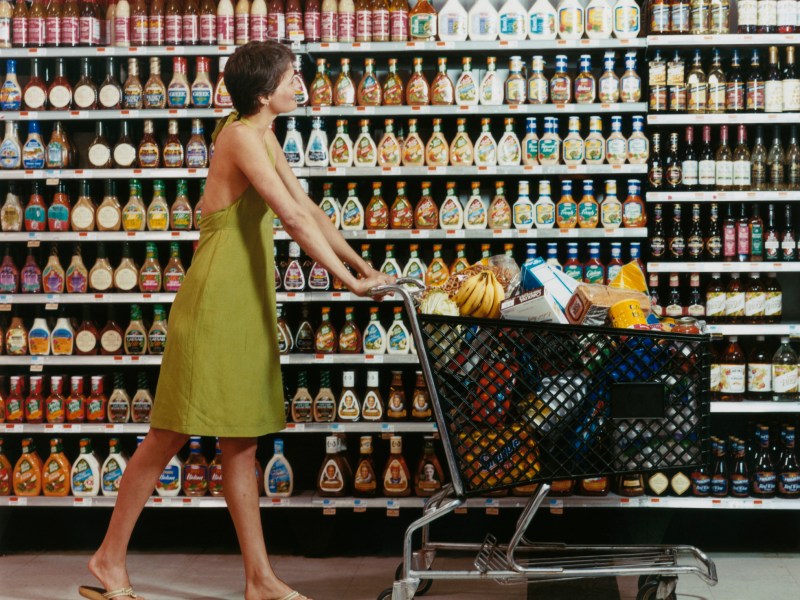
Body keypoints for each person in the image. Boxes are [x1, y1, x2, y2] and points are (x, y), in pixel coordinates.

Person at [81, 41, 395, 600]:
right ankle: (107, 560)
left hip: (245, 298)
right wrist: (348, 285)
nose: (300, 86)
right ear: (263, 91)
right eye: (292, 78)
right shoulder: (240, 137)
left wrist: (365, 267)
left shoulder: (261, 132)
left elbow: (314, 209)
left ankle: (258, 579)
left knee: (242, 443)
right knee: (166, 435)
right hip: (214, 303)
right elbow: (293, 219)